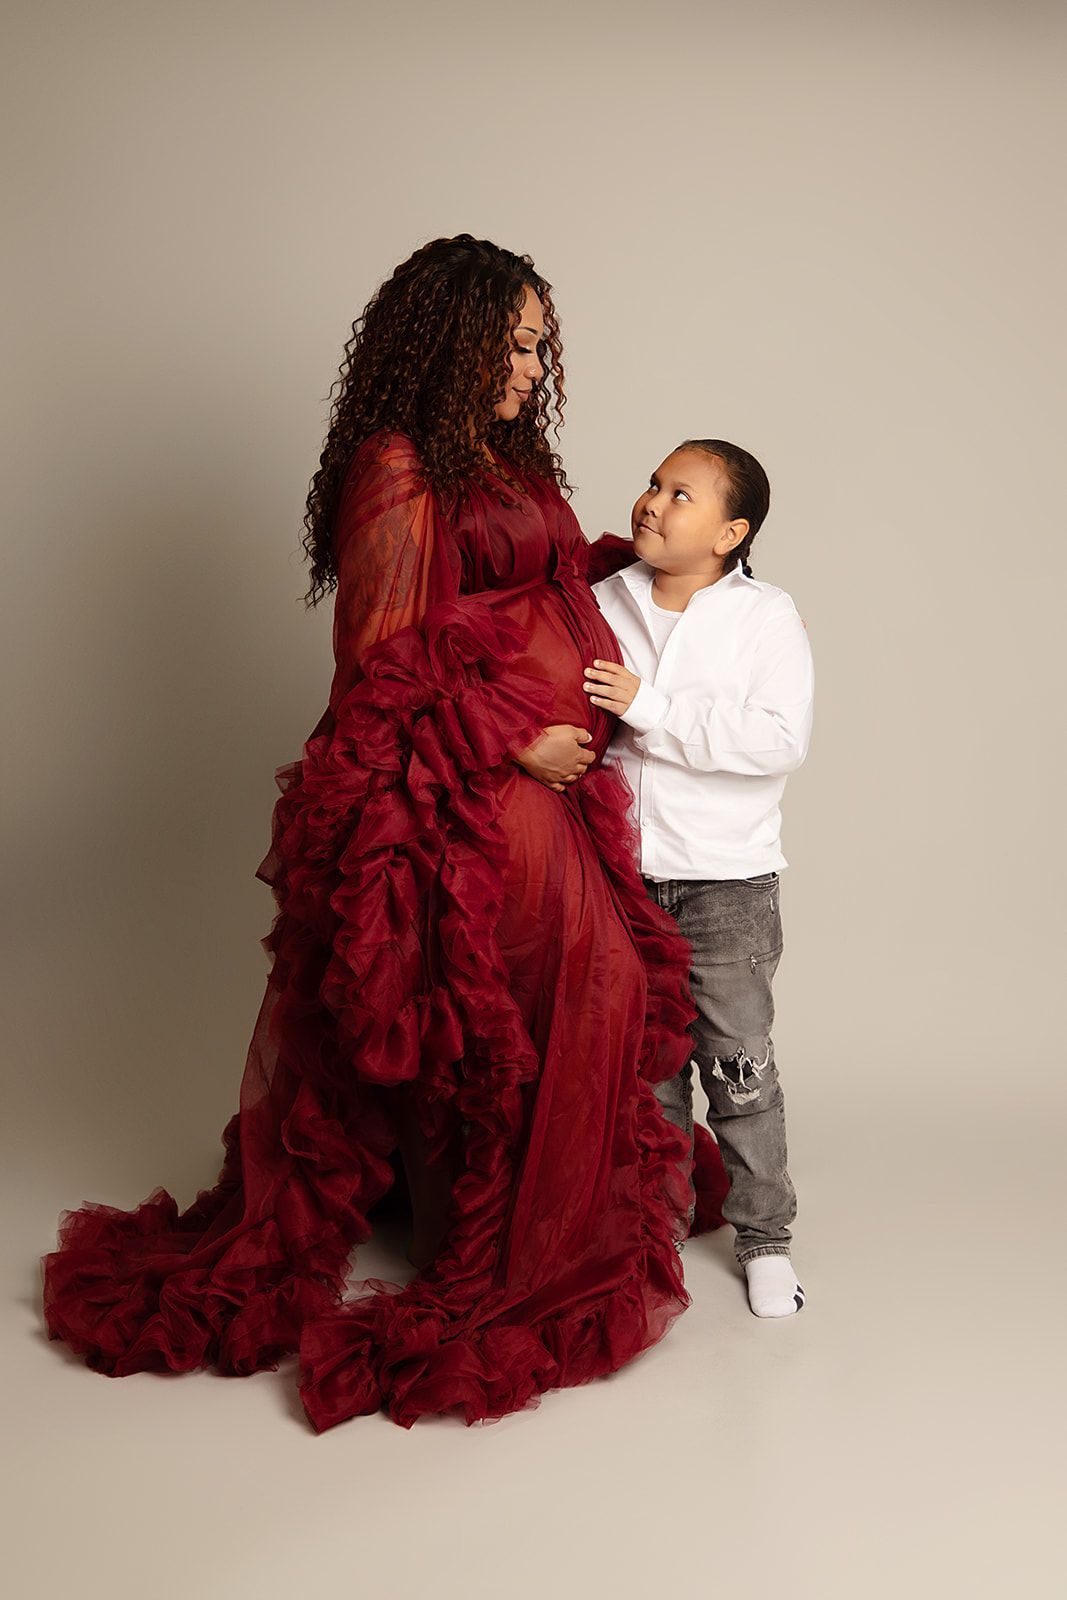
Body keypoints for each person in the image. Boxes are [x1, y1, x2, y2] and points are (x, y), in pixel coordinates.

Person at [40, 236, 728, 1431]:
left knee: (598, 978)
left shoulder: (498, 453)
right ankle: (503, 1235)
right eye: (518, 345)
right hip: (459, 776)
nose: (535, 367)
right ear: (457, 341)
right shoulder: (397, 467)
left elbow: (538, 575)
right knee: (535, 985)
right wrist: (516, 737)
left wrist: (650, 564)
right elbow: (382, 657)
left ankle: (527, 1212)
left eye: (539, 346)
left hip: (553, 775)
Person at [583, 438, 815, 1317]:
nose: (652, 501)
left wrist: (650, 709)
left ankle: (765, 1239)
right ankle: (662, 1228)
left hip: (725, 884)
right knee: (647, 1074)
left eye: (681, 493)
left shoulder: (764, 617)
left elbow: (777, 740)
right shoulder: (603, 601)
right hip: (619, 877)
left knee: (738, 1070)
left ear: (729, 533)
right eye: (652, 483)